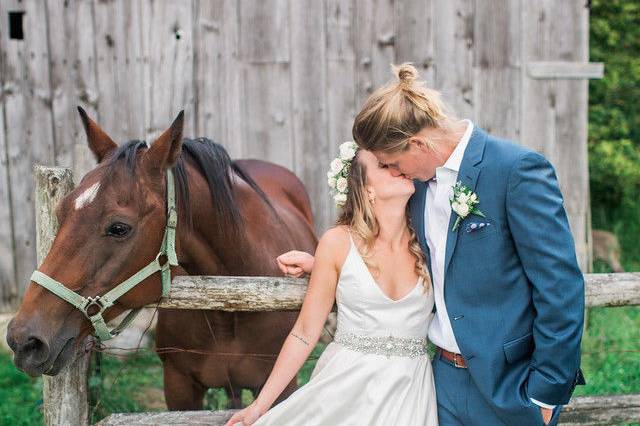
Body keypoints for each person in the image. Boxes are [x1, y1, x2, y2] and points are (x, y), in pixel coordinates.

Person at [275, 63, 586, 425]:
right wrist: (331, 268)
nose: (396, 173)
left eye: (393, 163)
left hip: (509, 386)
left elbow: (561, 286)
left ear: (418, 144)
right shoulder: (417, 186)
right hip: (439, 384)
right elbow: (406, 253)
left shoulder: (516, 171)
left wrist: (545, 391)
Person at [225, 140, 439, 425]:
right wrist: (258, 407)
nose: (397, 167)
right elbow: (303, 333)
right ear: (367, 190)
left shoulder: (429, 242)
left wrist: (320, 266)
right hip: (345, 394)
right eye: (384, 165)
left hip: (410, 395)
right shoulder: (337, 243)